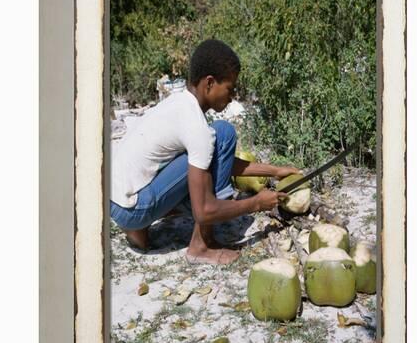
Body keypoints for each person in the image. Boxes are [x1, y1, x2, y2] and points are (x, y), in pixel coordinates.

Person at [110, 39, 300, 265]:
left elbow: (220, 161)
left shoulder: (178, 103)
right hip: (135, 207)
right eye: (230, 88)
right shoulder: (197, 128)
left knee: (215, 140)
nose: (232, 96)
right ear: (209, 83)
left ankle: (137, 227)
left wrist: (274, 171)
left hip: (116, 200)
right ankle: (200, 246)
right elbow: (203, 211)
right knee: (224, 133)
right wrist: (257, 203)